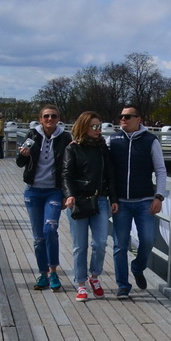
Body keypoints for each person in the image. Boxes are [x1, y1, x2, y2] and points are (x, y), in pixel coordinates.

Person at [107, 106, 167, 299]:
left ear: (138, 119)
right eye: (121, 116)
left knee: (148, 240)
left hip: (145, 201)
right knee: (120, 245)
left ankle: (138, 267)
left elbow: (160, 170)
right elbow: (102, 166)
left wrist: (159, 196)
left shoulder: (150, 140)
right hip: (120, 203)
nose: (123, 119)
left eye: (127, 116)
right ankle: (123, 285)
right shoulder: (113, 140)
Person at [63, 111, 118, 302]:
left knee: (100, 243)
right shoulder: (73, 148)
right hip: (78, 201)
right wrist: (69, 195)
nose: (98, 130)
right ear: (83, 127)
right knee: (80, 246)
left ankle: (94, 276)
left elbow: (110, 176)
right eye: (94, 126)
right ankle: (80, 283)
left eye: (99, 126)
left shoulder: (103, 148)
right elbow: (67, 174)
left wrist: (114, 199)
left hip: (100, 199)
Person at [17, 105, 70, 291]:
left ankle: (54, 271)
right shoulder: (32, 135)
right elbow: (19, 163)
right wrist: (24, 154)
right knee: (38, 237)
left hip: (53, 191)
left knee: (50, 229)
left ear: (58, 119)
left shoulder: (65, 138)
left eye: (53, 116)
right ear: (41, 119)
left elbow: (68, 167)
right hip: (33, 191)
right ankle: (43, 274)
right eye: (46, 116)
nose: (49, 119)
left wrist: (67, 194)